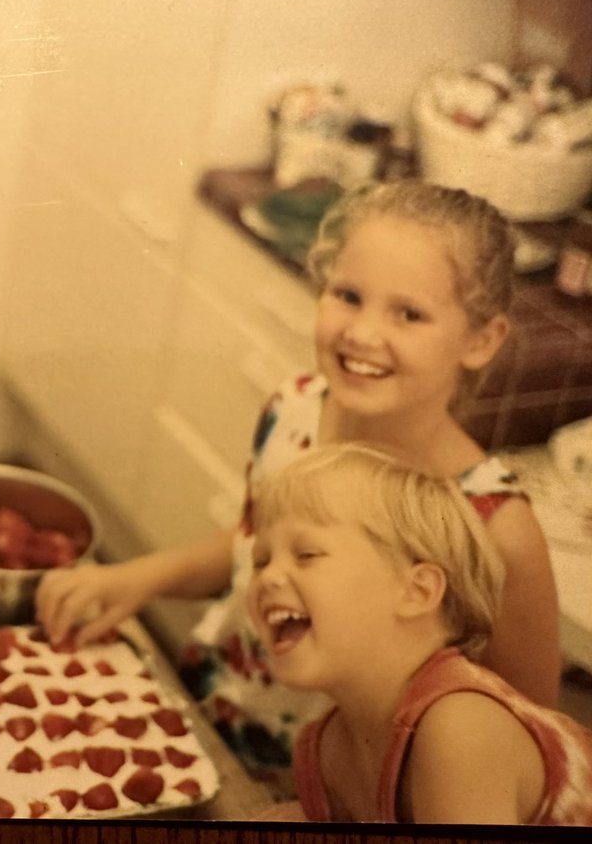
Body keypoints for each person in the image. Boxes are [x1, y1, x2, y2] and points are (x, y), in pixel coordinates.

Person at [35, 180, 561, 795]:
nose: (362, 333)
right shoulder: (294, 410)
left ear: (481, 340)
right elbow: (255, 545)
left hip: (335, 797)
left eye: (408, 313)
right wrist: (135, 578)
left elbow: (528, 737)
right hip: (209, 723)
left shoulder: (494, 526)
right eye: (348, 295)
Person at [247, 442, 592, 824]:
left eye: (307, 554)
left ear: (417, 592)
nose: (268, 577)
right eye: (260, 560)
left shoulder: (460, 728)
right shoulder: (327, 748)